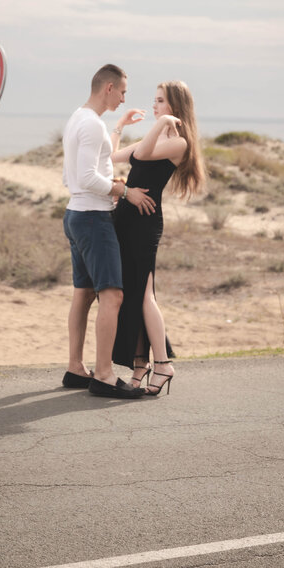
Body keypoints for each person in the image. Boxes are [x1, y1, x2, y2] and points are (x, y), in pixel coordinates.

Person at [61, 64, 156, 399]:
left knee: (84, 293)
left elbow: (72, 177)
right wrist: (125, 191)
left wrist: (119, 127)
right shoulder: (91, 125)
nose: (124, 98)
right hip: (92, 220)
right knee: (112, 295)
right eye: (123, 92)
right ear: (109, 88)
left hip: (76, 214)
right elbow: (88, 178)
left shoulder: (78, 118)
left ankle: (75, 368)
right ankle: (103, 375)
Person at [111, 80, 206, 396]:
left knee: (144, 295)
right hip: (126, 221)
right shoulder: (157, 136)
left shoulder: (178, 143)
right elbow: (113, 156)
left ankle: (163, 364)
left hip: (145, 223)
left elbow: (142, 154)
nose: (154, 106)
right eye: (155, 100)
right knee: (132, 295)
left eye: (161, 101)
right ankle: (140, 365)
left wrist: (164, 122)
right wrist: (120, 125)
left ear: (176, 106)